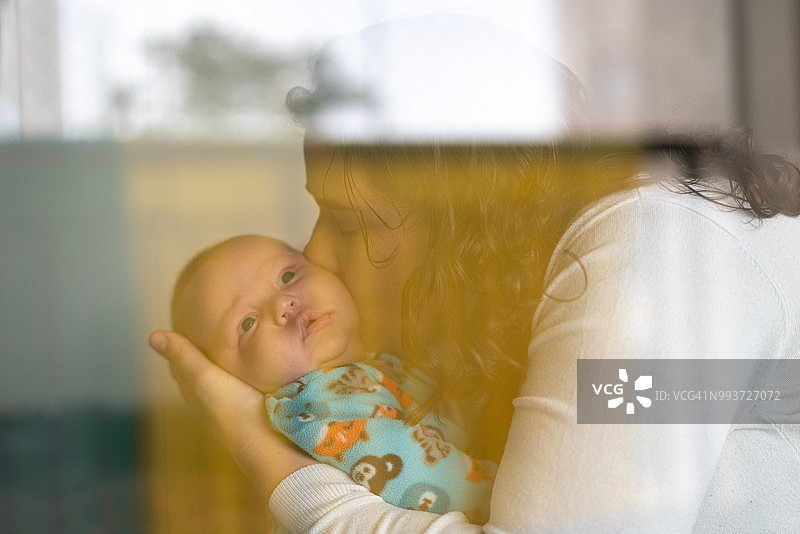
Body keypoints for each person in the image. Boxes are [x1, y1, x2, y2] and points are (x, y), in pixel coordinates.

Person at [150, 14, 800, 533]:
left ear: (465, 219)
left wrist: (258, 446)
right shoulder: (566, 285)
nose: (314, 255)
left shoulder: (647, 256)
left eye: (351, 222)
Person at [169, 234, 495, 524]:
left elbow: (453, 412)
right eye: (247, 323)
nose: (283, 303)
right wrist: (505, 482)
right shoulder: (314, 406)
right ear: (234, 381)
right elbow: (420, 475)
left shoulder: (375, 366)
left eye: (287, 276)